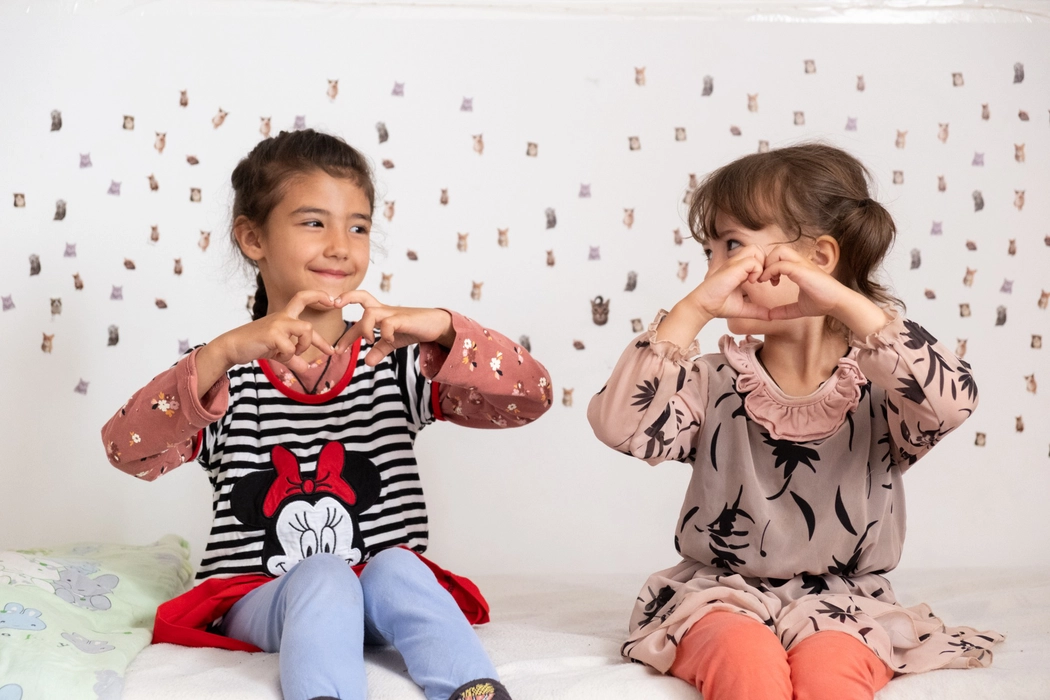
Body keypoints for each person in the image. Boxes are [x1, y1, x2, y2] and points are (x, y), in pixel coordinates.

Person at [102, 129, 552, 700]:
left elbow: (530, 397)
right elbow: (127, 451)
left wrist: (442, 327)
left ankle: (475, 691)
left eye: (358, 227)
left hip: (380, 593)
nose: (341, 245)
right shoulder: (223, 378)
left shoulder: (396, 362)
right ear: (253, 237)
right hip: (265, 598)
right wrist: (221, 352)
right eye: (314, 222)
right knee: (322, 574)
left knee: (400, 566)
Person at [587, 143, 1001, 700]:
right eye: (709, 252)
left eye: (732, 245)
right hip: (719, 596)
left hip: (846, 604)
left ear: (820, 259)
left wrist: (846, 305)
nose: (713, 272)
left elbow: (952, 401)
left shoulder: (884, 385)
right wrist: (689, 314)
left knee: (832, 675)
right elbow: (619, 425)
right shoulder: (710, 381)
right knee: (744, 662)